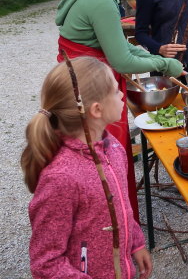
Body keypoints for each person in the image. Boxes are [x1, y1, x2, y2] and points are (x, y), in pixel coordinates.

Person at [56, 0, 183, 218]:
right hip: (91, 92)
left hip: (82, 81)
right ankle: (115, 222)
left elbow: (120, 47)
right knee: (104, 159)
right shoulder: (100, 1)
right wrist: (163, 64)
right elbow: (122, 60)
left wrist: (154, 54)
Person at [21, 57, 152, 279]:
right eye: (114, 90)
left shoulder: (113, 148)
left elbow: (122, 205)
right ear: (97, 110)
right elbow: (46, 263)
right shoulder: (62, 178)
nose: (121, 94)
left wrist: (136, 243)